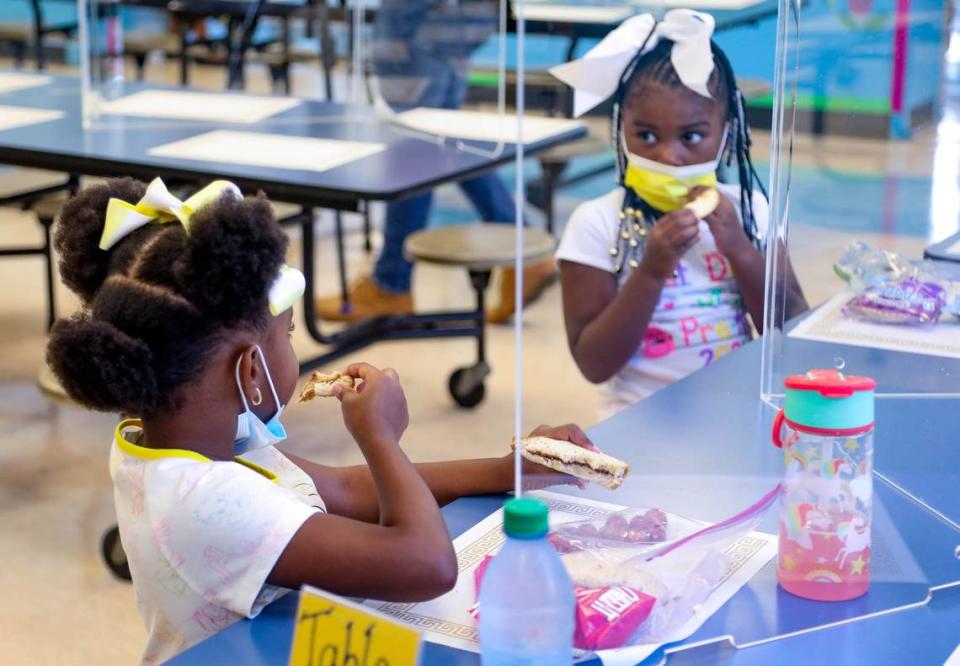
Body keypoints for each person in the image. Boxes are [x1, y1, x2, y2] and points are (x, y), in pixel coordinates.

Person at [46, 177, 596, 664]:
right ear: (249, 369)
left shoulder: (187, 437)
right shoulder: (203, 500)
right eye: (286, 335)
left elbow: (341, 490)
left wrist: (506, 470)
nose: (293, 346)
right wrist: (381, 437)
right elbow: (426, 565)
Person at [553, 10, 807, 420]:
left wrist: (740, 250)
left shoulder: (749, 210)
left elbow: (790, 332)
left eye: (691, 136)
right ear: (621, 129)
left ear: (728, 130)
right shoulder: (596, 223)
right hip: (637, 422)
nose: (668, 156)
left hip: (737, 414)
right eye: (646, 135)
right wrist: (652, 271)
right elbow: (594, 364)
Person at [314, 0, 556, 325]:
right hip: (448, 23)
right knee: (442, 141)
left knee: (411, 147)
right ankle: (522, 248)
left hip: (420, 26)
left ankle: (391, 284)